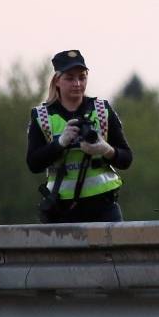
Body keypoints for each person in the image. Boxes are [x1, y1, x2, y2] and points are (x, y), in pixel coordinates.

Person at [26, 48, 133, 223]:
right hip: (61, 209)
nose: (77, 83)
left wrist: (105, 149)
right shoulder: (42, 116)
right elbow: (33, 164)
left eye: (82, 77)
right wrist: (60, 143)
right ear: (57, 81)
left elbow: (127, 159)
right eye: (70, 78)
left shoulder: (102, 110)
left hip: (104, 207)